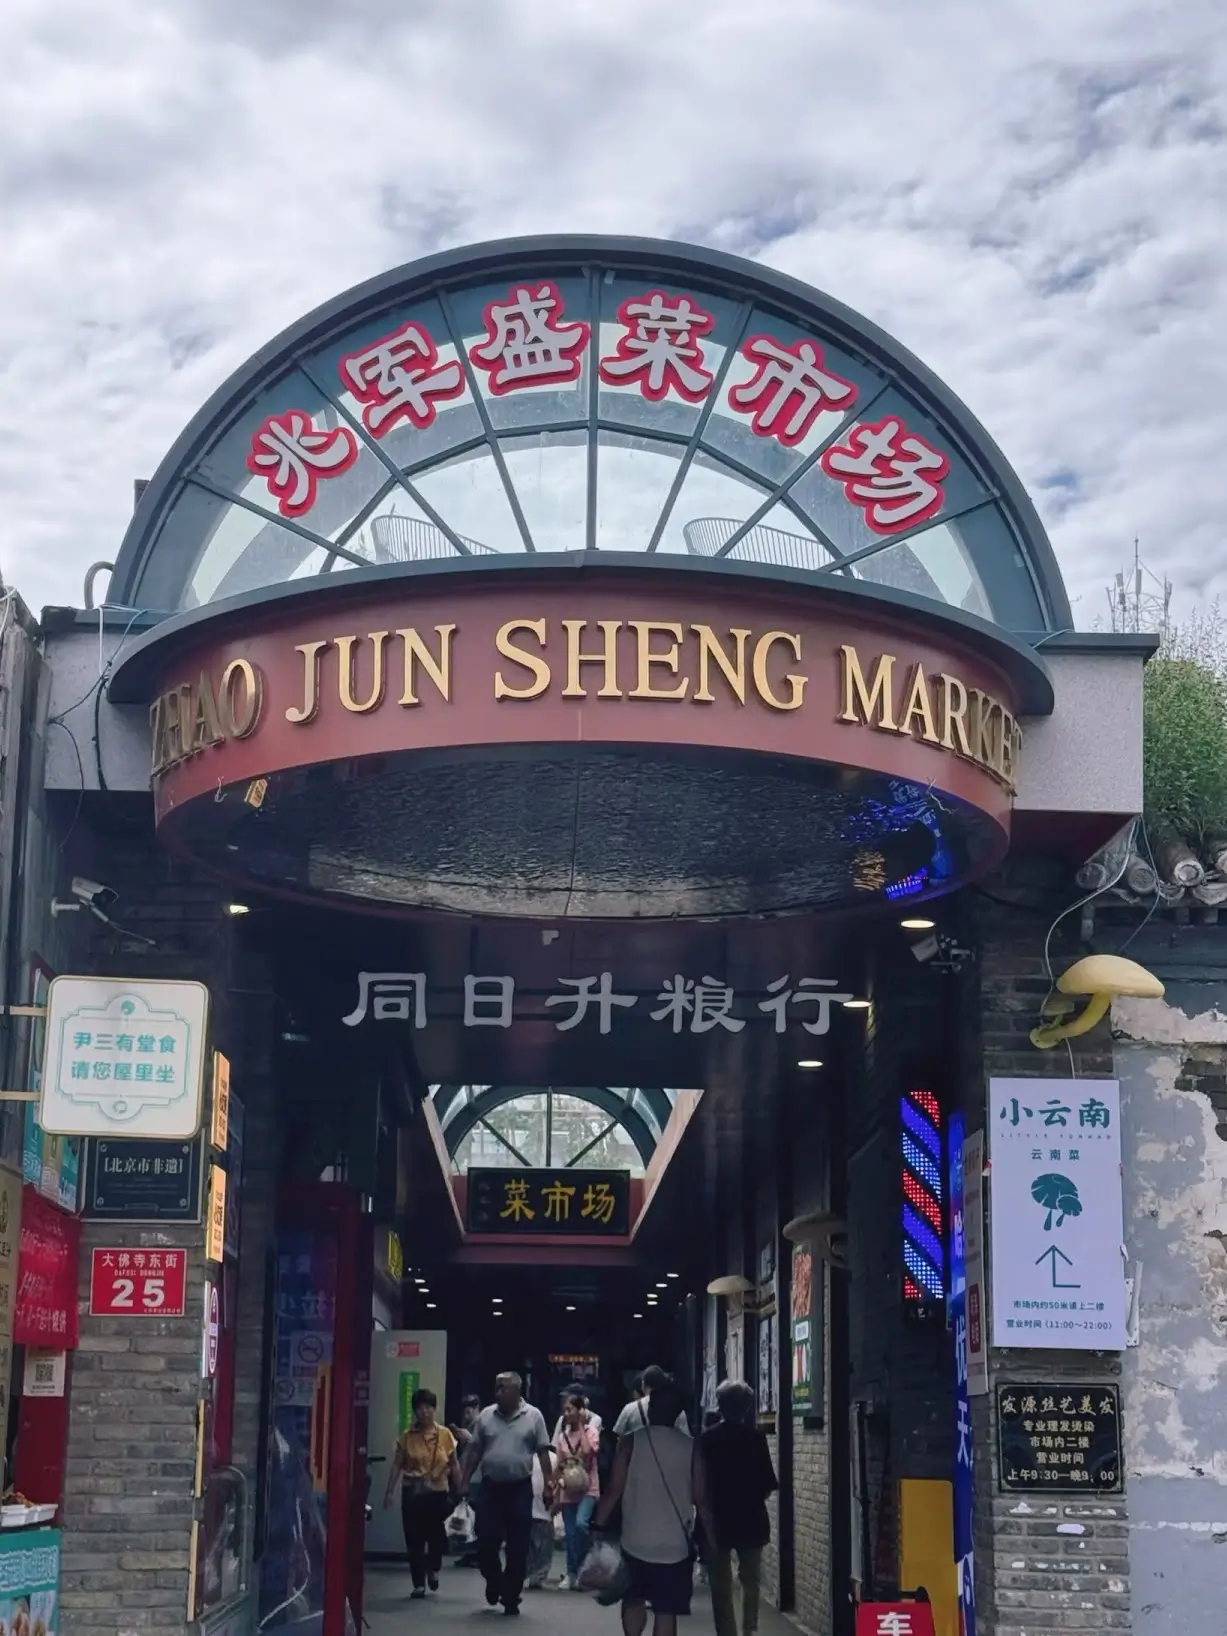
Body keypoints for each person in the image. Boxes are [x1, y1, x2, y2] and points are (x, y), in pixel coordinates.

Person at [594, 1372, 715, 1636]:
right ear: (678, 1414)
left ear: (650, 1407)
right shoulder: (692, 1448)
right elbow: (701, 1498)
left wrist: (598, 1524)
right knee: (665, 1609)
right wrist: (712, 1539)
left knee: (634, 1598)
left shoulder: (630, 1441)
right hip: (675, 1546)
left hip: (635, 1540)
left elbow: (615, 1490)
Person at [458, 1372, 555, 1617]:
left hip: (519, 1488)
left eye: (503, 1388)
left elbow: (543, 1452)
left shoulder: (533, 1416)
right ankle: (494, 1579)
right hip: (491, 1488)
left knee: (517, 1547)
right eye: (496, 1387)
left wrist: (549, 1485)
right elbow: (474, 1451)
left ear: (516, 1391)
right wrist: (463, 1480)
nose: (497, 1392)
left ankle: (511, 1595)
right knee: (485, 1542)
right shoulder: (486, 1416)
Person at [698, 1381, 778, 1636]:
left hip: (716, 1520)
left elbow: (699, 1485)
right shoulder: (755, 1439)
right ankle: (750, 1629)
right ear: (745, 1409)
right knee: (750, 1579)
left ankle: (727, 1631)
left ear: (720, 1406)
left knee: (720, 1583)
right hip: (751, 1519)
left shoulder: (706, 1440)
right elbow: (767, 1484)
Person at [383, 1387, 460, 1599]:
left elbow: (454, 1464)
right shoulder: (407, 1437)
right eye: (420, 1408)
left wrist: (461, 1489)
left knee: (436, 1538)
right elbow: (397, 1465)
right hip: (413, 1493)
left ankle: (433, 1569)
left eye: (428, 1407)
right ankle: (418, 1583)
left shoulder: (445, 1435)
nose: (425, 1412)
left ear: (434, 1409)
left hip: (437, 1493)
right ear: (415, 1411)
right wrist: (389, 1491)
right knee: (414, 1539)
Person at [555, 1392, 600, 1589]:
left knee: (581, 1525)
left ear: (580, 1411)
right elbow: (560, 1464)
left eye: (570, 1409)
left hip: (588, 1487)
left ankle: (583, 1566)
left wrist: (581, 1426)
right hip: (569, 1488)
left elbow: (588, 1452)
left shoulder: (591, 1432)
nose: (566, 1414)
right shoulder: (562, 1436)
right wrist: (553, 1486)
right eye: (565, 1410)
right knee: (570, 1532)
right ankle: (572, 1572)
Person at [449, 1396, 483, 1568]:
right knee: (470, 1516)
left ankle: (477, 1553)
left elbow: (480, 1446)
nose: (467, 1411)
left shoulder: (480, 1423)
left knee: (475, 1516)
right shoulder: (470, 1425)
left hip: (477, 1478)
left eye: (471, 1407)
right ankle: (470, 1552)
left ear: (477, 1407)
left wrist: (466, 1436)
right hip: (469, 1477)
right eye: (465, 1408)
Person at [613, 1367, 690, 1437]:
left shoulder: (629, 1409)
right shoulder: (677, 1410)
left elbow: (618, 1434)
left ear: (643, 1385)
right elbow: (685, 1438)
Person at [526, 1448, 559, 1589]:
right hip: (534, 1507)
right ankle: (536, 1574)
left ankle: (537, 1574)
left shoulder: (553, 1458)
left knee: (539, 1544)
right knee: (540, 1545)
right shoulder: (526, 1456)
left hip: (541, 1507)